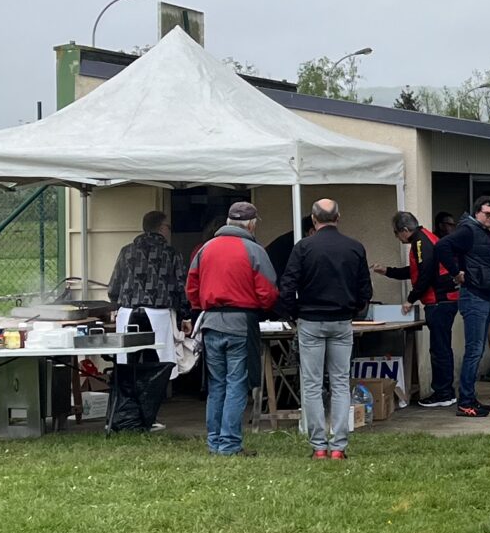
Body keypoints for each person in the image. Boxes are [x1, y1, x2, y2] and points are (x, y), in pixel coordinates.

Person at [184, 198, 280, 455]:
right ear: (251, 225)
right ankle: (229, 443)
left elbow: (192, 288)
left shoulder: (205, 249)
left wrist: (201, 306)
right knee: (236, 383)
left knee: (216, 385)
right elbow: (268, 292)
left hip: (211, 322)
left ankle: (214, 441)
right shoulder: (254, 250)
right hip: (241, 323)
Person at [281, 197, 373, 459]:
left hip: (310, 320)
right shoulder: (354, 247)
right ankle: (339, 446)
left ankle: (319, 445)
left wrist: (293, 314)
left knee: (311, 384)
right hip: (342, 320)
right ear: (338, 217)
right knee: (340, 383)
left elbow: (287, 287)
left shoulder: (303, 248)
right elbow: (365, 289)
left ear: (313, 219)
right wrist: (354, 309)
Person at [103, 208, 184, 435]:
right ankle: (148, 416)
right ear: (161, 228)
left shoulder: (126, 251)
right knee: (155, 368)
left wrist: (118, 303)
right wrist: (185, 314)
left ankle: (122, 415)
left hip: (128, 313)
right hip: (157, 316)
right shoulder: (171, 253)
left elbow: (114, 287)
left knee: (126, 367)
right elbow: (180, 286)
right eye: (168, 226)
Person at [383, 210, 460, 407]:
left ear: (405, 230)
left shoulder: (420, 242)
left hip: (439, 301)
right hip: (443, 300)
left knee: (439, 348)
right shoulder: (425, 238)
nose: (396, 237)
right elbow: (416, 270)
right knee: (440, 347)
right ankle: (445, 391)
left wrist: (411, 298)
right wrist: (388, 271)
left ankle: (443, 393)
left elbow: (425, 273)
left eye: (395, 233)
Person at [439, 199, 490, 417]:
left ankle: (470, 398)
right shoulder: (468, 230)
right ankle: (465, 401)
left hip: (485, 293)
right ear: (477, 213)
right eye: (488, 214)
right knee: (474, 350)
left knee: (477, 349)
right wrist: (456, 272)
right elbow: (442, 246)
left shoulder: (486, 232)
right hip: (474, 295)